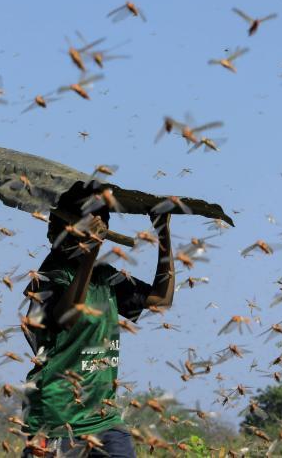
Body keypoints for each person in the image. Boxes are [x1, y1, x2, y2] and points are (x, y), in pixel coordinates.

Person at [20, 182, 175, 457]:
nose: (51, 231)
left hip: (103, 417)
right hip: (58, 419)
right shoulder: (46, 278)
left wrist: (163, 232)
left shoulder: (105, 277)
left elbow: (161, 300)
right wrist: (92, 250)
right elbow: (70, 317)